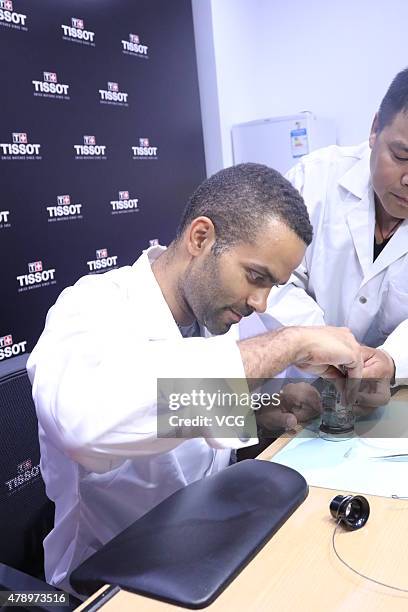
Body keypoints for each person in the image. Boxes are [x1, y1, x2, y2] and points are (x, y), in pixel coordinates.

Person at [27, 163, 364, 592]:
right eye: (256, 277)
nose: (260, 302)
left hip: (201, 548)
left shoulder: (213, 313)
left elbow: (182, 414)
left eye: (272, 286)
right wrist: (287, 344)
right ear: (200, 238)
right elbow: (86, 424)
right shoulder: (90, 308)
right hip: (108, 580)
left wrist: (257, 412)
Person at [262, 68, 408, 385]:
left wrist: (394, 360)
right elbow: (270, 282)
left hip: (387, 393)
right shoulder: (315, 179)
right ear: (374, 130)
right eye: (401, 156)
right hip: (295, 385)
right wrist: (321, 341)